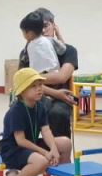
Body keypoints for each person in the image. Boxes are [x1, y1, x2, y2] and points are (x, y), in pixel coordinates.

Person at [0, 68, 73, 176]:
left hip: (30, 144)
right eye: (33, 86)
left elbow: (46, 131)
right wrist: (45, 152)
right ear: (22, 91)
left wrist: (53, 149)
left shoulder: (40, 107)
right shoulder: (16, 111)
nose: (39, 89)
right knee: (42, 161)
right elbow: (20, 141)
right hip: (13, 150)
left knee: (65, 143)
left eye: (40, 85)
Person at [19, 8, 79, 140]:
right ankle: (29, 148)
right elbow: (22, 82)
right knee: (24, 110)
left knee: (57, 113)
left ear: (54, 26)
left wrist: (32, 79)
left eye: (46, 26)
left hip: (62, 98)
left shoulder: (69, 50)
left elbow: (61, 77)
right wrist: (54, 92)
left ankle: (61, 149)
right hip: (37, 94)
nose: (42, 30)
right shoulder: (26, 53)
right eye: (39, 27)